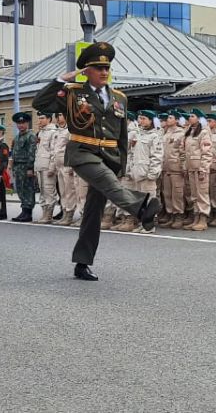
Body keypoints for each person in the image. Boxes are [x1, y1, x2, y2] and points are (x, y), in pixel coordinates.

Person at [31, 41, 162, 281]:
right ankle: (142, 206)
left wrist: (121, 166)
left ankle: (82, 263)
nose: (104, 72)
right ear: (86, 71)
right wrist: (61, 80)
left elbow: (122, 135)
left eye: (107, 68)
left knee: (93, 213)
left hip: (109, 156)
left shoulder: (119, 98)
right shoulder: (72, 92)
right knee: (105, 180)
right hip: (82, 151)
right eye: (97, 68)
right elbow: (39, 103)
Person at [120, 110, 163, 232]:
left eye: (144, 118)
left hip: (147, 173)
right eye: (140, 118)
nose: (141, 121)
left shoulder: (155, 136)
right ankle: (142, 223)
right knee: (140, 200)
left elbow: (157, 156)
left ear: (151, 121)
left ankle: (149, 225)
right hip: (136, 172)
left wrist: (153, 173)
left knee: (150, 199)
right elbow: (132, 154)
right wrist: (129, 170)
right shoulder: (138, 135)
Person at [181, 109, 214, 231]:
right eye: (189, 116)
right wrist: (185, 166)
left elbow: (207, 152)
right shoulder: (189, 132)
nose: (190, 118)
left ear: (199, 119)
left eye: (193, 116)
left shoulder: (204, 132)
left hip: (200, 168)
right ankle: (196, 217)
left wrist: (203, 168)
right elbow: (184, 152)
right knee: (194, 195)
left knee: (202, 195)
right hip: (191, 168)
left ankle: (203, 219)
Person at [158, 110, 187, 228]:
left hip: (176, 168)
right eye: (168, 118)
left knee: (177, 194)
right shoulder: (165, 133)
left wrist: (183, 166)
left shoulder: (181, 133)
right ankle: (170, 215)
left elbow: (183, 152)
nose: (168, 120)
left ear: (176, 120)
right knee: (167, 194)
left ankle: (179, 216)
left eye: (171, 118)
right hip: (165, 167)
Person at [33, 111, 61, 223]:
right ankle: (44, 213)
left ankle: (49, 215)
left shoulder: (53, 132)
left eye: (42, 118)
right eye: (39, 118)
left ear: (49, 119)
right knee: (42, 191)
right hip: (40, 165)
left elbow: (54, 151)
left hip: (48, 166)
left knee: (49, 190)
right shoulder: (41, 133)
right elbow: (38, 151)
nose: (40, 120)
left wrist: (52, 167)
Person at [10, 112, 37, 222]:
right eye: (19, 123)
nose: (20, 125)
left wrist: (30, 168)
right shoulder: (17, 137)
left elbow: (32, 153)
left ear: (27, 123)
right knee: (20, 189)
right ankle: (23, 211)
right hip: (18, 167)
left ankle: (28, 213)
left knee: (28, 189)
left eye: (23, 123)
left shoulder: (31, 136)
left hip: (26, 167)